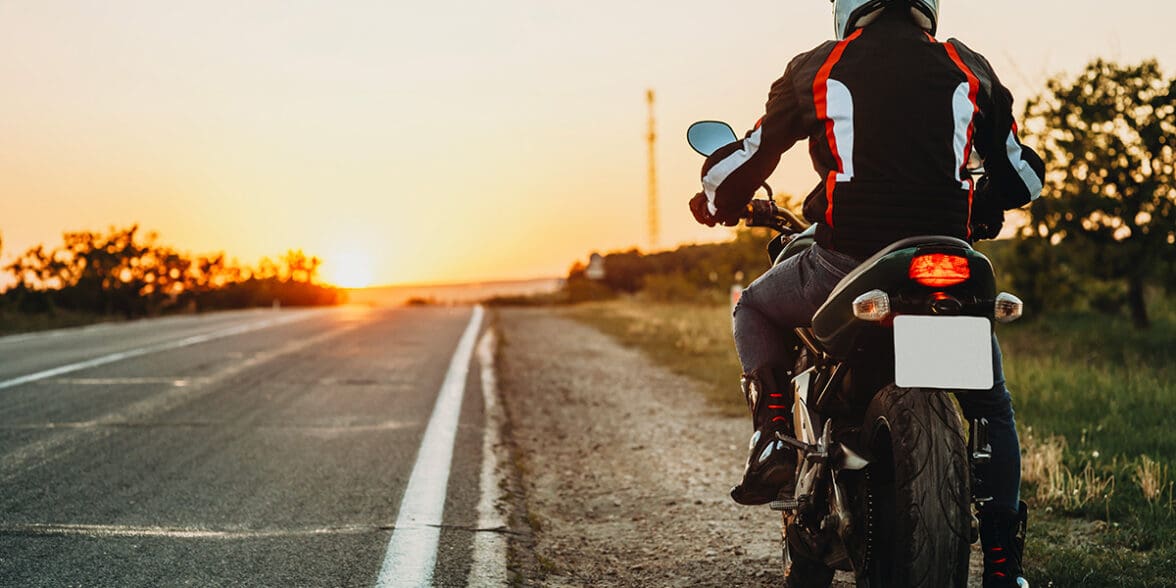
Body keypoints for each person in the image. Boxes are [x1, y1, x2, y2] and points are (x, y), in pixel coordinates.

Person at [688, 1, 1043, 586]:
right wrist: (982, 206)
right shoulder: (969, 65)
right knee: (991, 404)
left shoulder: (818, 67)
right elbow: (1019, 177)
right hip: (950, 263)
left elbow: (746, 160)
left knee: (753, 305)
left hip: (845, 261)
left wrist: (716, 201)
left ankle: (775, 439)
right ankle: (1004, 566)